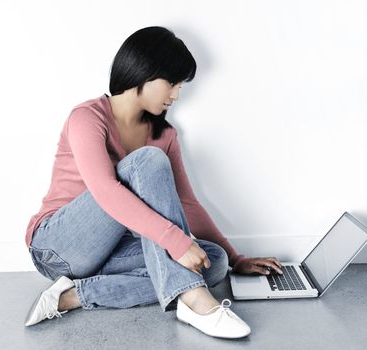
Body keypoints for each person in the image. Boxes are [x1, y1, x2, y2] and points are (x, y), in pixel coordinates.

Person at [24, 26, 283, 339]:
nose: (175, 94)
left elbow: (187, 203)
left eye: (180, 86)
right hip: (57, 246)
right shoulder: (87, 117)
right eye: (172, 83)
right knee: (147, 162)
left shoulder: (164, 135)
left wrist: (236, 258)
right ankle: (196, 303)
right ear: (142, 73)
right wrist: (175, 241)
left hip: (109, 254)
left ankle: (75, 295)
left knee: (213, 262)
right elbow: (105, 191)